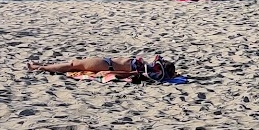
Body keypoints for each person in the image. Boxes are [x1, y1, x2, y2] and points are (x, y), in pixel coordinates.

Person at [29, 54, 177, 81]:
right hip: (107, 62)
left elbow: (124, 73)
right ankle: (42, 66)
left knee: (72, 65)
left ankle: (40, 68)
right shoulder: (145, 66)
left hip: (106, 64)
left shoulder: (141, 69)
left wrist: (107, 72)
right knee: (73, 65)